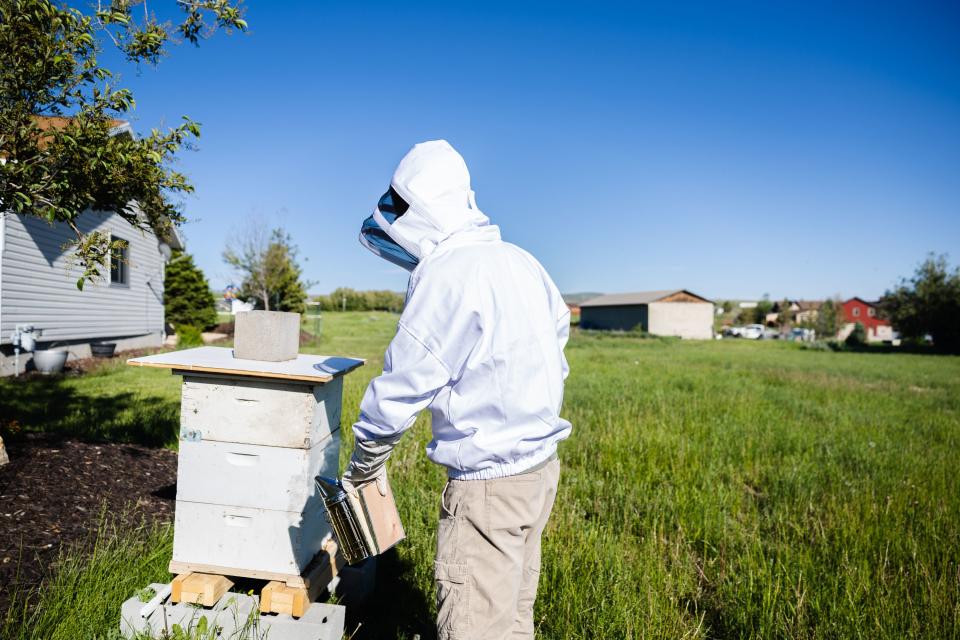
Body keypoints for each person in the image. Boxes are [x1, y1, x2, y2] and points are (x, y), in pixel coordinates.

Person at [344, 140, 572, 639]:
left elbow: (401, 387)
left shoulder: (449, 273)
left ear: (418, 208)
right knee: (512, 619)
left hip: (488, 488)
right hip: (539, 473)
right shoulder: (522, 262)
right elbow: (557, 349)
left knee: (472, 627)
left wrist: (363, 464)